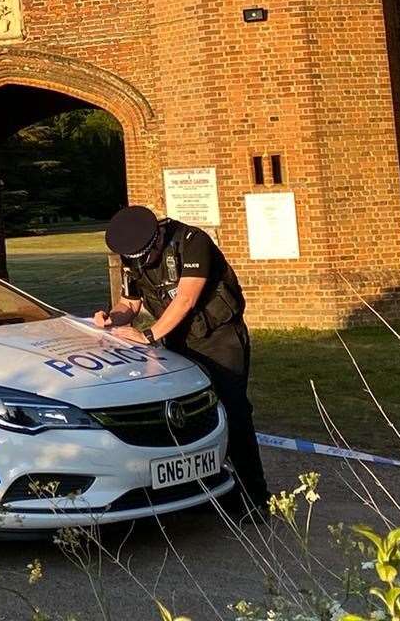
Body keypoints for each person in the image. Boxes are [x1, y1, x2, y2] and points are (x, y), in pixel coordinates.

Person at [95, 204, 270, 513]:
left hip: (219, 338)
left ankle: (254, 499)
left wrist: (149, 336)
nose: (140, 264)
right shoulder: (132, 255)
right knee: (183, 416)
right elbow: (130, 303)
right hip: (177, 340)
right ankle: (194, 491)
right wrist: (112, 319)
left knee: (233, 413)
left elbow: (186, 298)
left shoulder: (192, 241)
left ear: (157, 239)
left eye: (145, 257)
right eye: (132, 260)